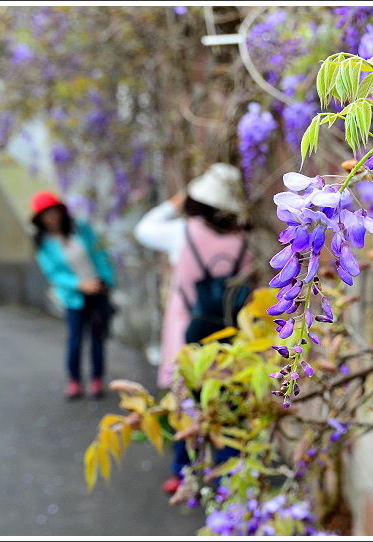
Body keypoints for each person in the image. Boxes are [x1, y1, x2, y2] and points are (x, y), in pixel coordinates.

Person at [134, 163, 252, 493]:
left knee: (186, 403)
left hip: (187, 329)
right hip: (228, 334)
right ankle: (230, 476)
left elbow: (144, 229)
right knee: (226, 404)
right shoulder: (243, 237)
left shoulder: (183, 232)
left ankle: (183, 472)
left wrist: (179, 198)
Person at [30, 190, 116, 400]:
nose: (52, 217)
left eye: (54, 212)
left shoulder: (82, 230)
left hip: (98, 290)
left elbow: (100, 255)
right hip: (74, 297)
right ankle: (74, 380)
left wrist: (105, 280)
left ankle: (97, 379)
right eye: (47, 214)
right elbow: (54, 273)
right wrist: (80, 284)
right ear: (40, 219)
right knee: (75, 339)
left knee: (98, 337)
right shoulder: (44, 244)